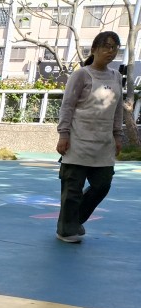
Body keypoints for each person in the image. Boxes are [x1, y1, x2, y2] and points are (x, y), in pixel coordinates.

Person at [55, 31, 125, 244]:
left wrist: (118, 135)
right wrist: (63, 134)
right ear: (94, 49)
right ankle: (66, 230)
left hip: (104, 143)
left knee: (102, 185)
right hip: (78, 141)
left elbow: (118, 109)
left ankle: (74, 220)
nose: (111, 51)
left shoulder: (116, 76)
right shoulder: (81, 75)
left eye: (115, 48)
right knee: (72, 189)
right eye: (107, 46)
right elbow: (67, 106)